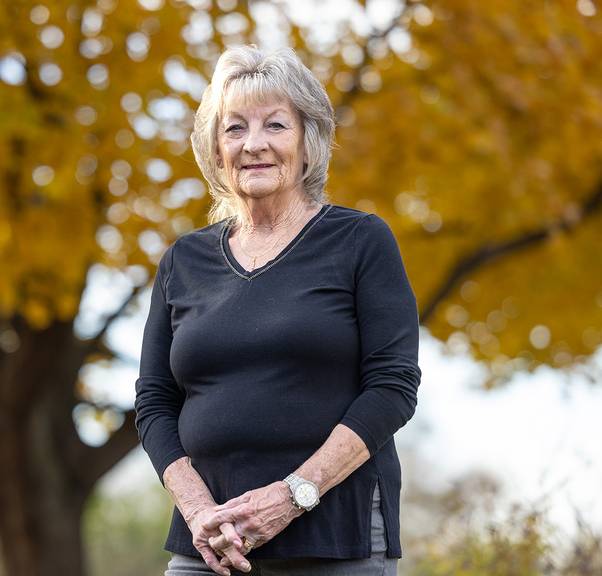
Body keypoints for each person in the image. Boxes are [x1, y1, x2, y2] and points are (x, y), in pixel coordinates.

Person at [134, 44, 421, 576]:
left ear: (308, 144)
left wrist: (293, 495)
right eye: (235, 128)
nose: (254, 145)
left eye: (275, 126)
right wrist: (198, 510)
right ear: (216, 151)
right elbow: (154, 401)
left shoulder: (360, 241)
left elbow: (393, 387)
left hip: (335, 536)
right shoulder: (183, 259)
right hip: (211, 545)